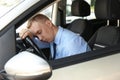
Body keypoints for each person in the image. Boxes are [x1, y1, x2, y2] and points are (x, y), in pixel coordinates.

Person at [19, 14, 91, 59]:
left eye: (39, 32)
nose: (40, 38)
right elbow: (37, 44)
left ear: (49, 23)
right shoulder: (53, 38)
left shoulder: (71, 45)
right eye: (36, 35)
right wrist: (29, 36)